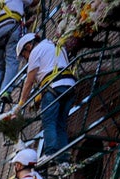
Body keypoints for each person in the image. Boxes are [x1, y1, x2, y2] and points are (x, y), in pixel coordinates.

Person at [15, 32, 76, 166]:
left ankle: (50, 152)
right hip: (69, 87)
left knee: (49, 122)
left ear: (29, 46)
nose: (26, 59)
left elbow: (29, 81)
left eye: (25, 56)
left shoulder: (36, 51)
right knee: (60, 124)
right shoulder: (55, 46)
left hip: (53, 88)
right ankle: (64, 159)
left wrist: (21, 103)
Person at [0, 0, 29, 99]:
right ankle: (6, 92)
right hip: (10, 28)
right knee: (12, 61)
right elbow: (33, 2)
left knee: (0, 67)